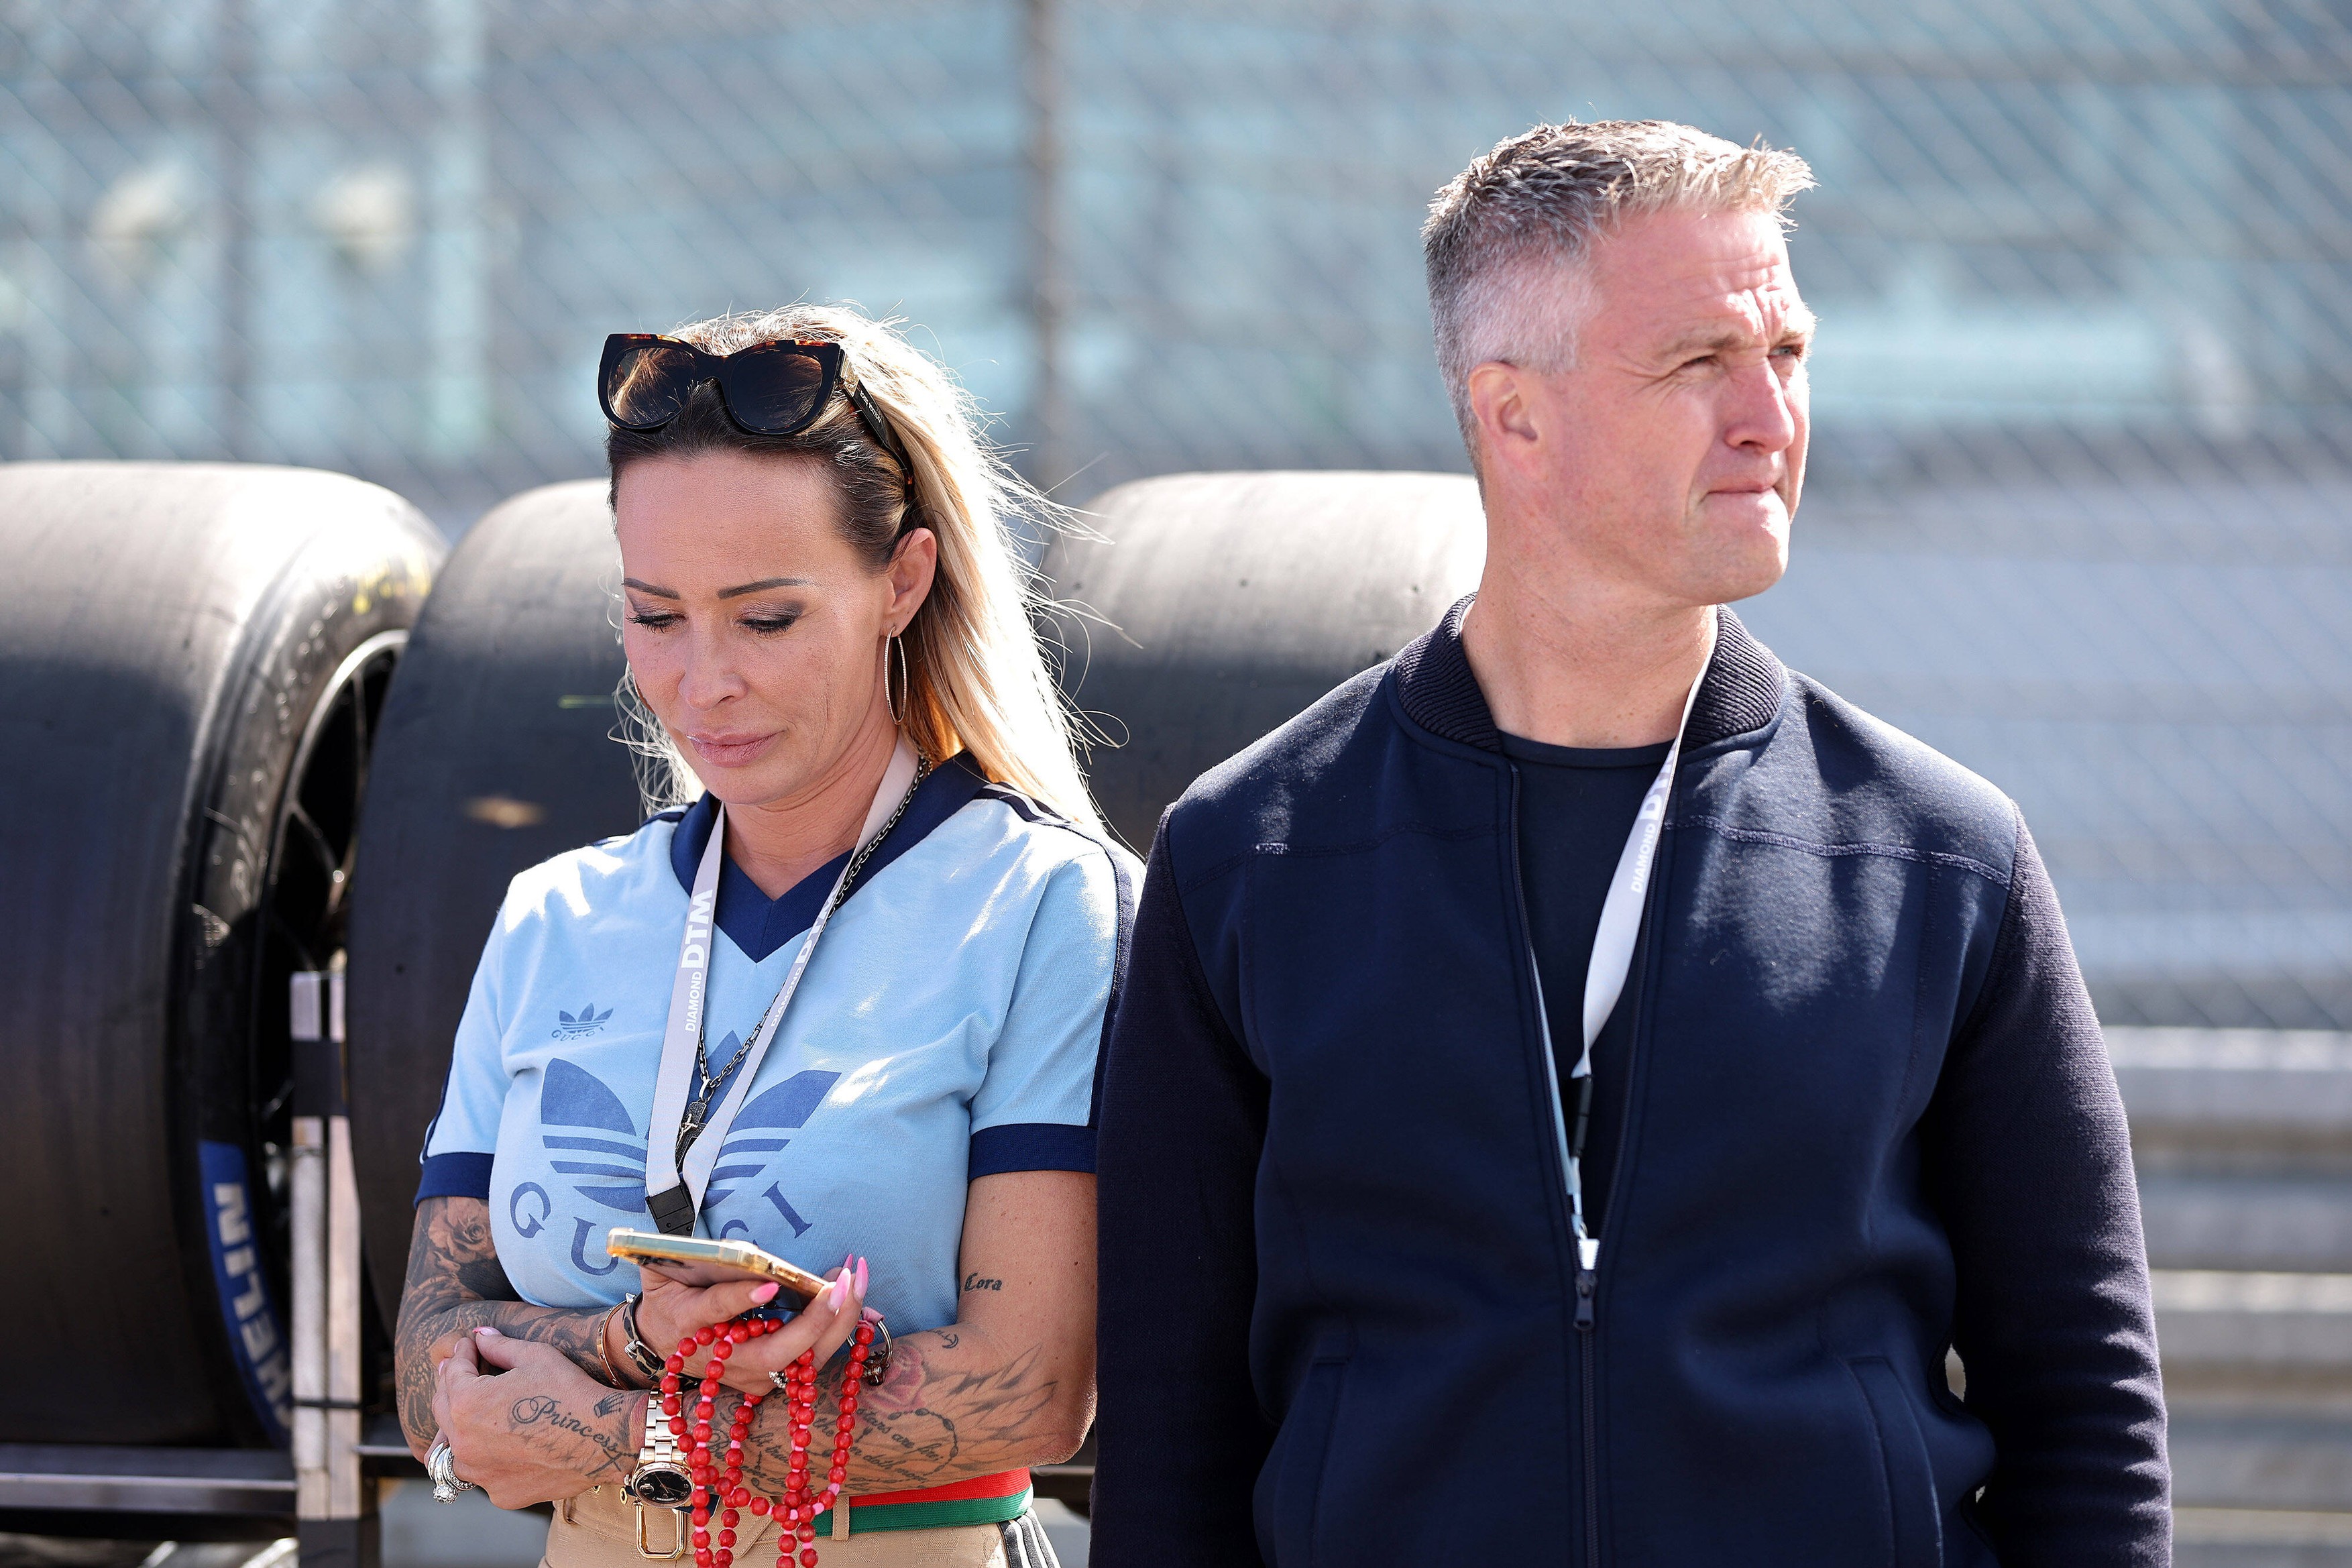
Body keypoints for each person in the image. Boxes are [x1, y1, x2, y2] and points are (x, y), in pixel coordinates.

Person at [1090, 121, 2170, 1567]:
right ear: (1511, 415)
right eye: (1697, 363)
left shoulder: (1938, 858)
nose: (1767, 416)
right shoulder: (1246, 858)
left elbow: (2085, 1407)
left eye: (1784, 354)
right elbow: (1170, 1440)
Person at [394, 304, 1133, 1568]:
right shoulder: (554, 916)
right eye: (655, 614)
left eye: (768, 617)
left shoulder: (1042, 901)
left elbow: (1028, 1390)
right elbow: (431, 1363)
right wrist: (632, 1337)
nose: (705, 679)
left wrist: (620, 1435)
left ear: (903, 579)